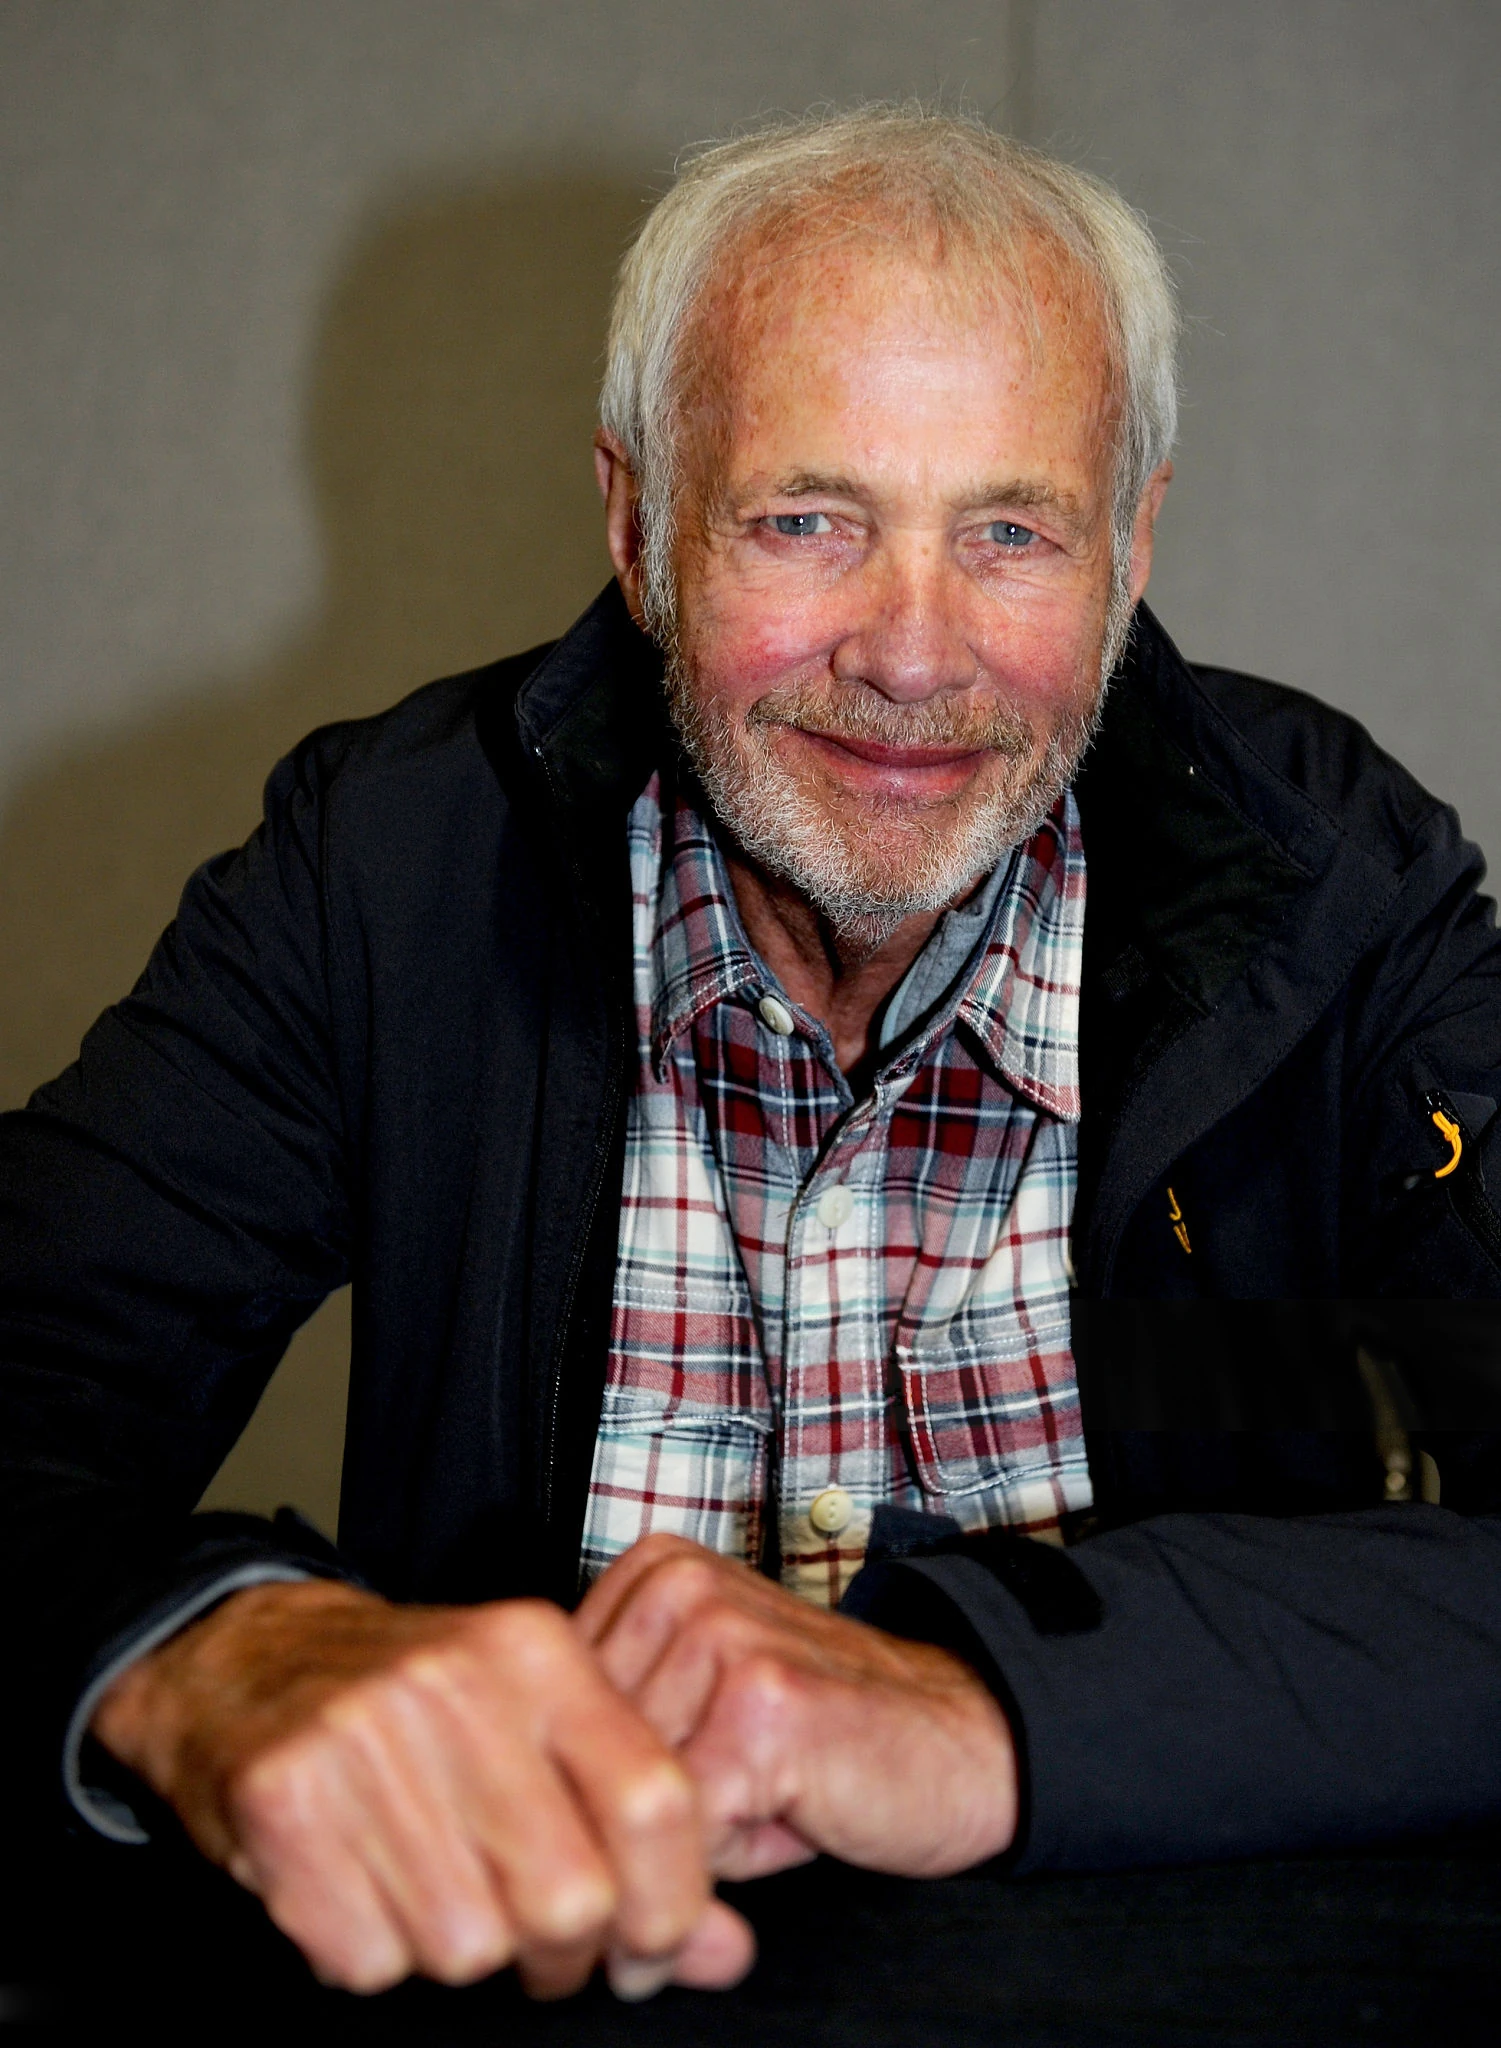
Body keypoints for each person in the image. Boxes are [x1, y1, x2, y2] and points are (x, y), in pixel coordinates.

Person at [4, 107, 1501, 2003]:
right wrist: (210, 1647)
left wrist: (980, 1701)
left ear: (1130, 550)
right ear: (638, 529)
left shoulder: (1342, 891)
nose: (912, 655)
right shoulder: (382, 868)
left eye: (1011, 533)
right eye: (809, 521)